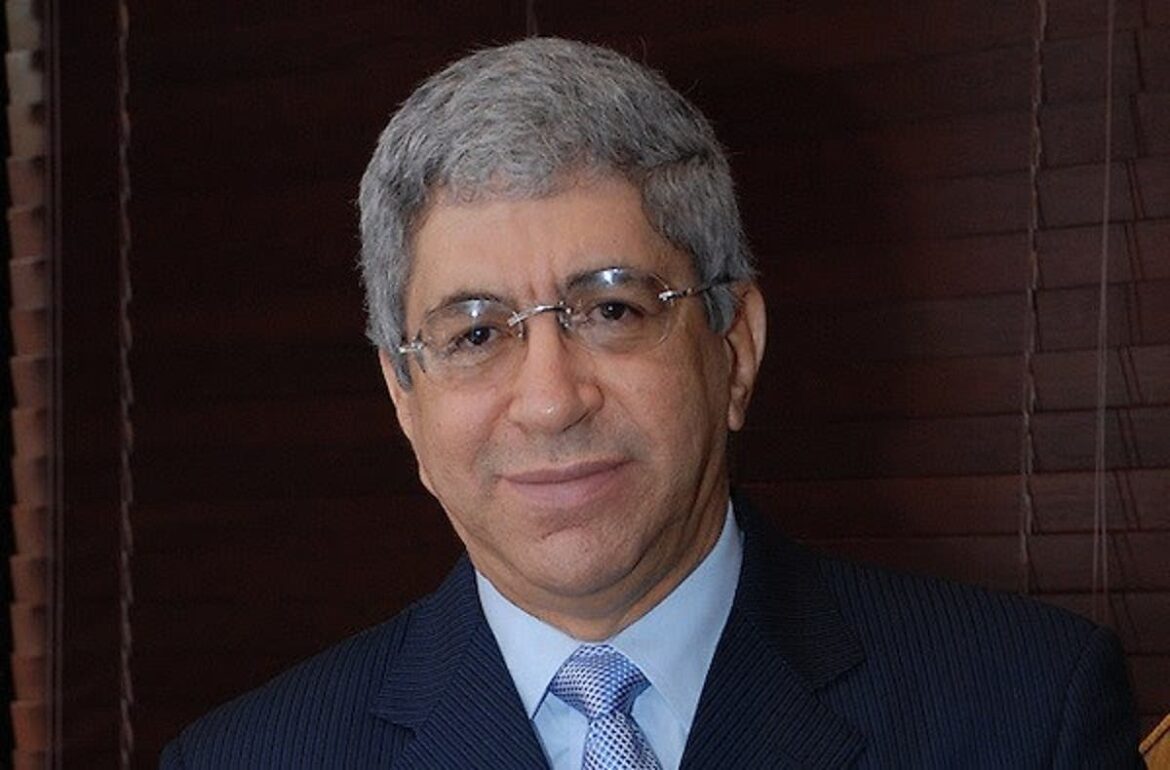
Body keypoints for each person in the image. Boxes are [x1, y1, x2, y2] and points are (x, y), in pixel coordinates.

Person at [160, 37, 1142, 769]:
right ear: (404, 399)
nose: (550, 401)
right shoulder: (247, 759)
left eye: (613, 309)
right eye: (476, 334)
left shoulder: (1023, 716)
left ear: (735, 346)